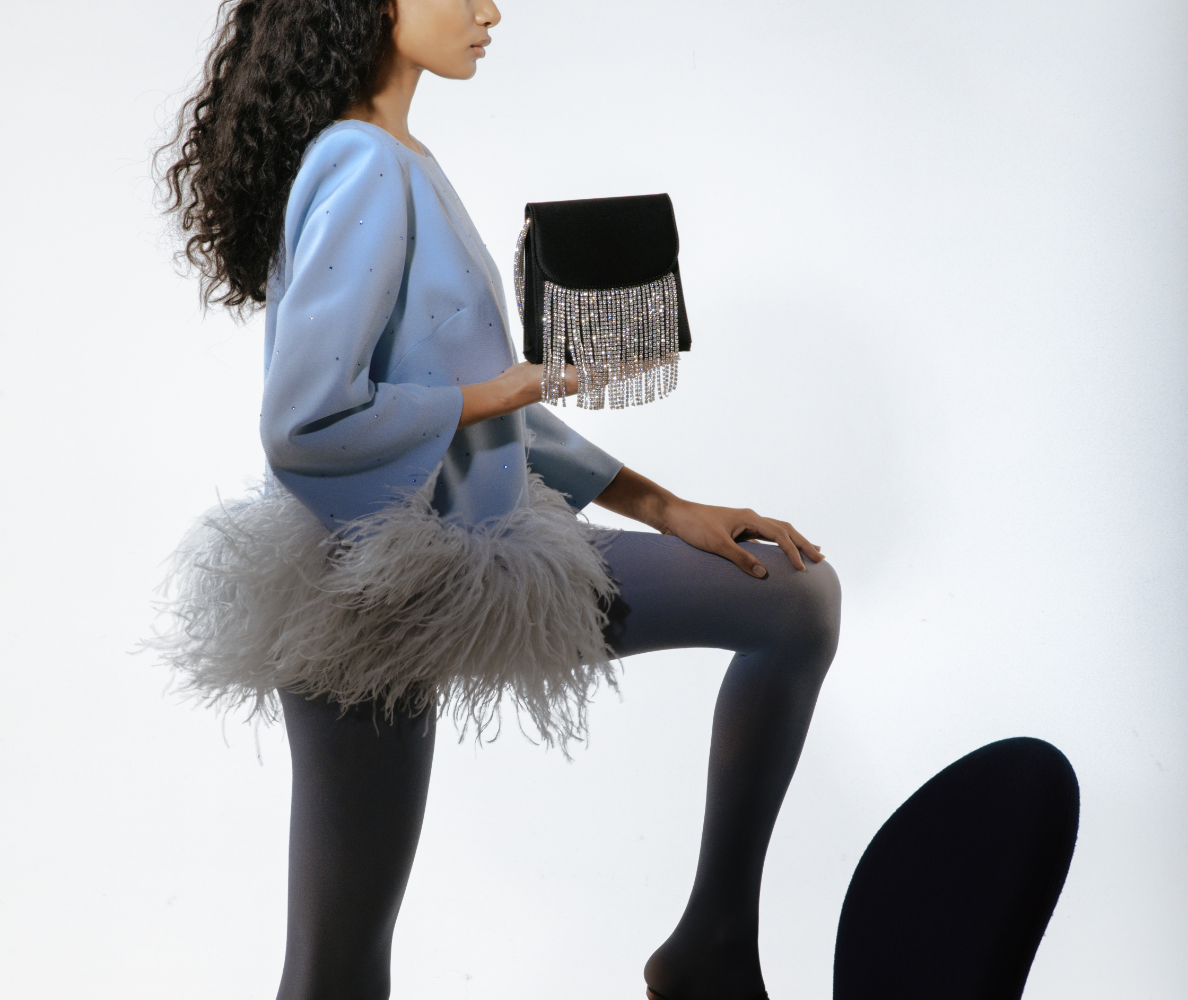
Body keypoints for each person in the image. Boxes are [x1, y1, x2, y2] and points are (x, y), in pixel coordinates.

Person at [156, 2, 842, 998]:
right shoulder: (363, 164)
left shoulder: (398, 156)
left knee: (794, 598)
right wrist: (507, 390)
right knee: (338, 968)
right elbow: (304, 423)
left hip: (469, 552)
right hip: (374, 593)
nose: (490, 10)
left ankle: (714, 943)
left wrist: (666, 507)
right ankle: (714, 942)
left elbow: (473, 411)